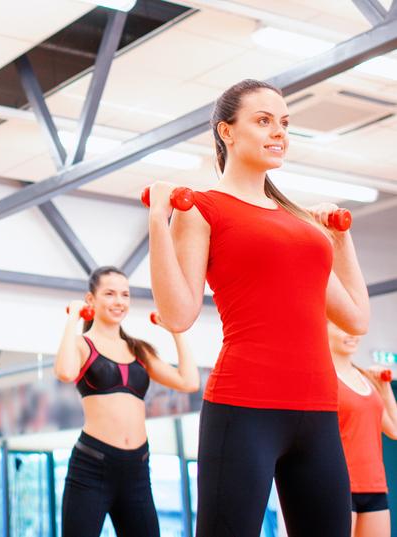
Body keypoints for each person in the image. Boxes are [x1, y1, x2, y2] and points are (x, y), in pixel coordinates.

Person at [147, 79, 371, 536]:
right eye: (263, 121)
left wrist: (341, 241)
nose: (279, 132)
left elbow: (356, 318)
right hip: (244, 407)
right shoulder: (203, 209)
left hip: (317, 412)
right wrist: (157, 220)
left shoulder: (301, 224)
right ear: (226, 132)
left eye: (284, 123)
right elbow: (178, 315)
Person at [55, 266, 199, 536]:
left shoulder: (139, 350)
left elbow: (188, 381)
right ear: (91, 300)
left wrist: (177, 332)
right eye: (109, 294)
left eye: (125, 295)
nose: (119, 301)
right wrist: (72, 318)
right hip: (92, 465)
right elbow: (64, 372)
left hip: (137, 468)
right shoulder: (81, 344)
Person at [329, 321, 397, 537]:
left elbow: (394, 429)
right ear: (323, 327)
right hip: (338, 486)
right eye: (341, 326)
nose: (351, 334)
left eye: (353, 328)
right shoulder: (323, 378)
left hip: (374, 487)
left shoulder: (366, 379)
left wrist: (384, 389)